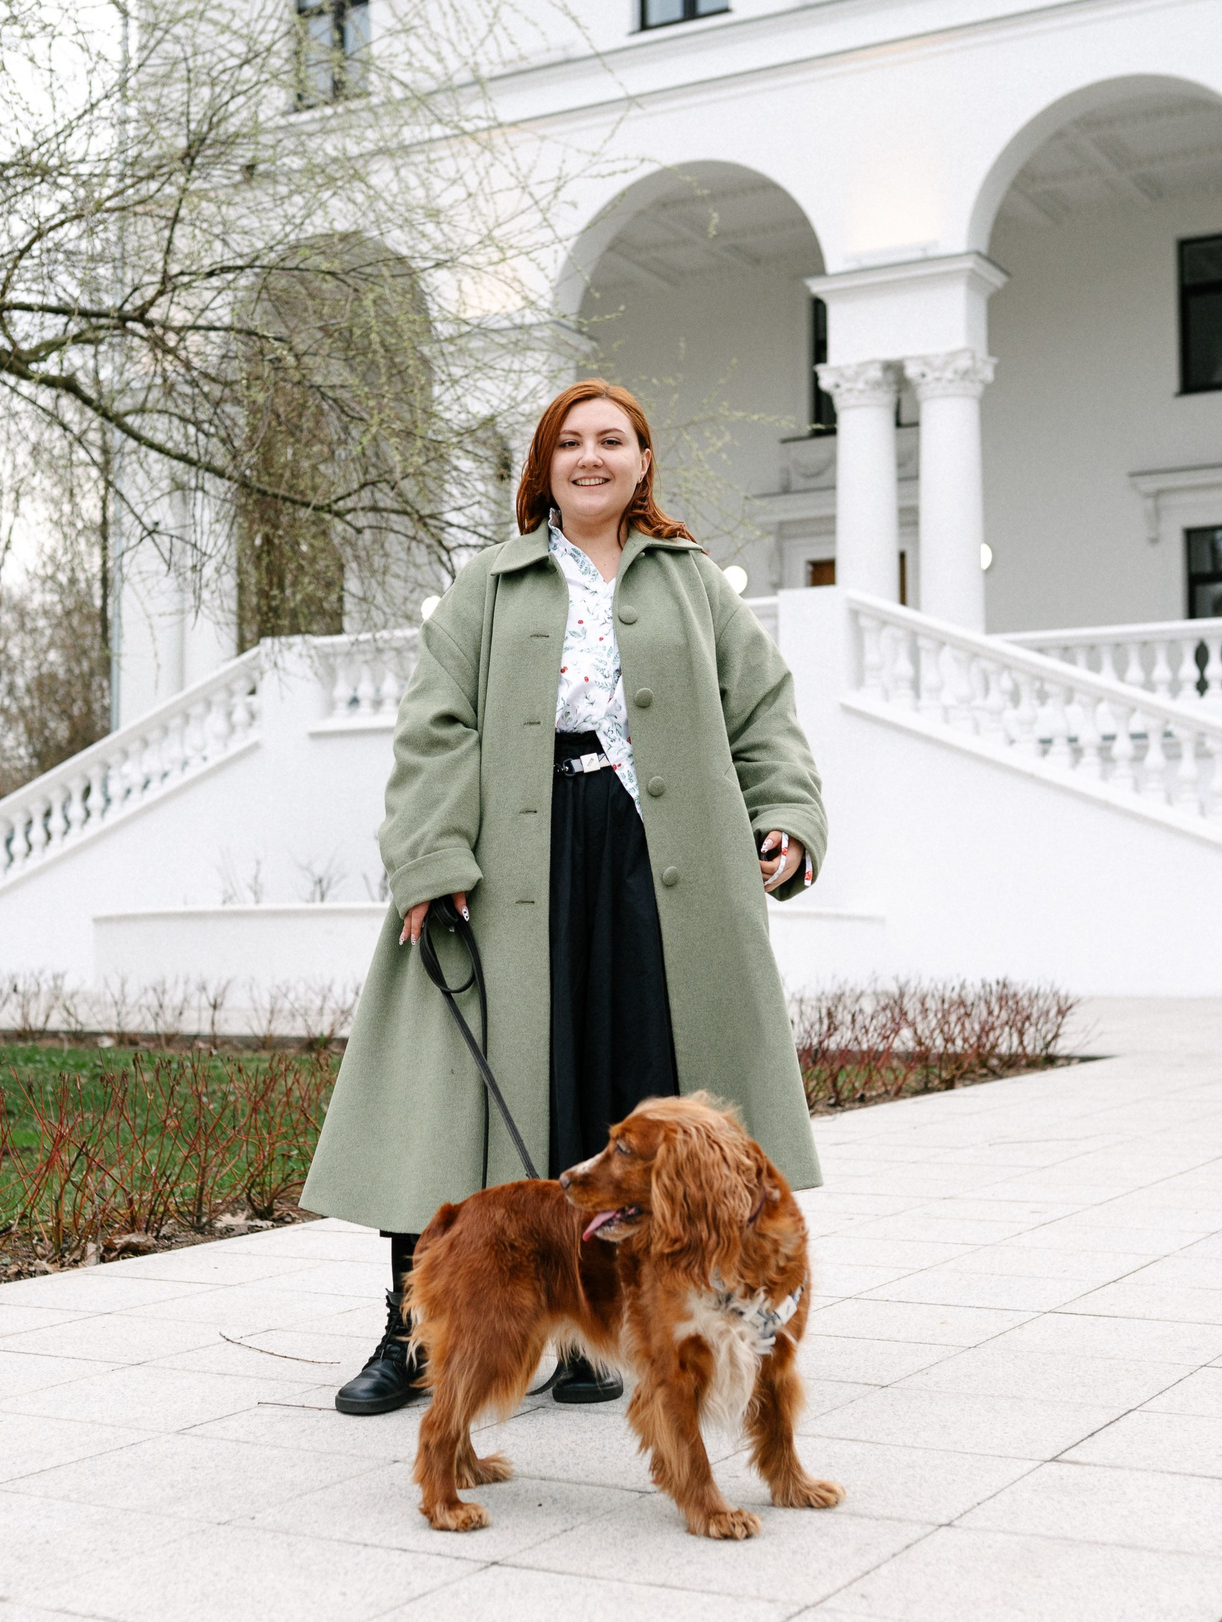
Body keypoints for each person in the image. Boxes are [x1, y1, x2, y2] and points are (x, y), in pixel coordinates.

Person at [302, 378, 829, 1416]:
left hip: (661, 867)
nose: (591, 457)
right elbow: (434, 728)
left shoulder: (691, 584)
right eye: (570, 442)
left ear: (641, 462)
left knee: (630, 1090)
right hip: (509, 868)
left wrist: (789, 814)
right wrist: (430, 853)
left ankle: (597, 1333)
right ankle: (415, 1335)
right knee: (456, 1107)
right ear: (542, 466)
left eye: (613, 441)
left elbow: (762, 709)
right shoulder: (487, 586)